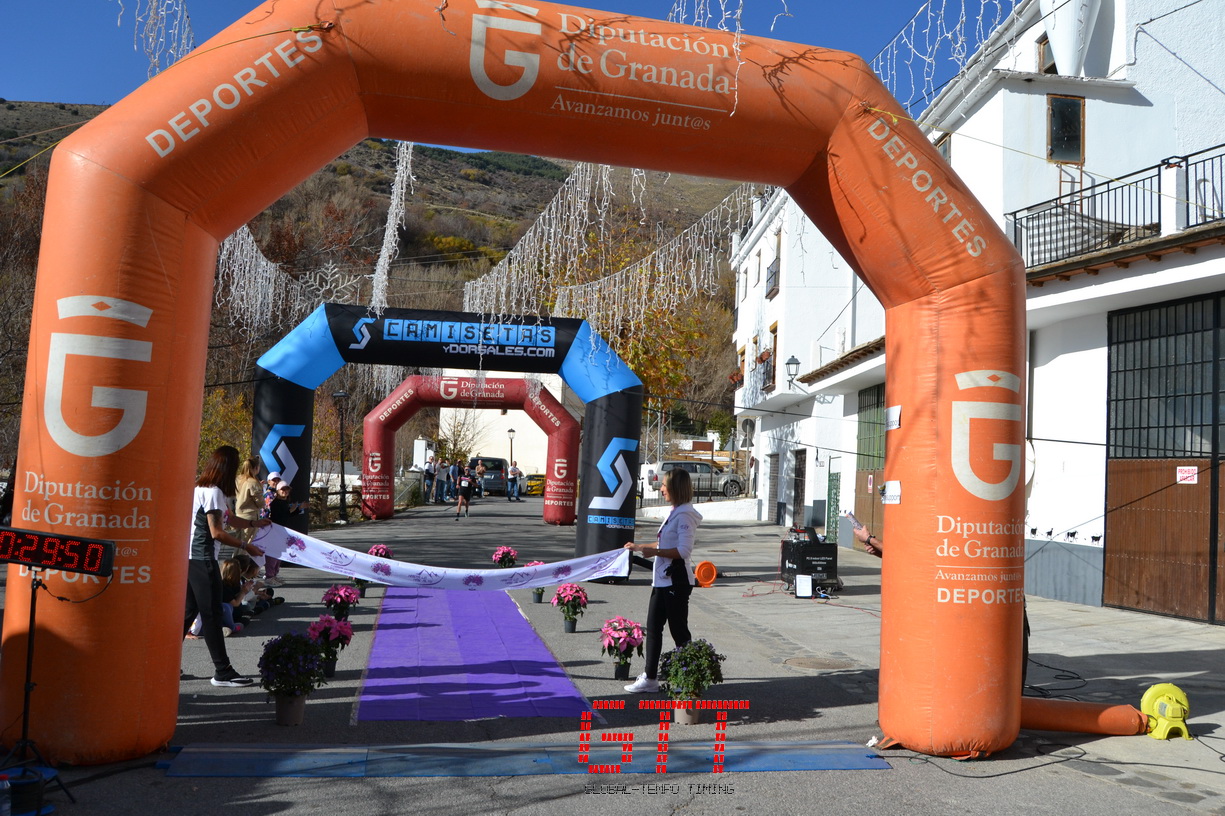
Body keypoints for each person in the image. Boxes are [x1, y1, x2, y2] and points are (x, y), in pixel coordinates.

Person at [184, 445, 268, 687]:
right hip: (203, 559)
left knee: (189, 613)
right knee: (212, 614)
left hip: (190, 559)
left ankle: (164, 664)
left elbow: (229, 519)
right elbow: (217, 532)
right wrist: (246, 546)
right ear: (228, 468)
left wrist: (255, 524)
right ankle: (223, 672)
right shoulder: (214, 492)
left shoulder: (200, 488)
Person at [622, 467, 702, 694]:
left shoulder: (685, 515)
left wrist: (655, 553)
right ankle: (650, 678)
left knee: (679, 631)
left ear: (675, 487)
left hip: (676, 581)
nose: (661, 489)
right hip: (662, 581)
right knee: (654, 628)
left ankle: (688, 679)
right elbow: (663, 544)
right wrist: (639, 547)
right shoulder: (675, 511)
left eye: (665, 485)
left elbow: (684, 551)